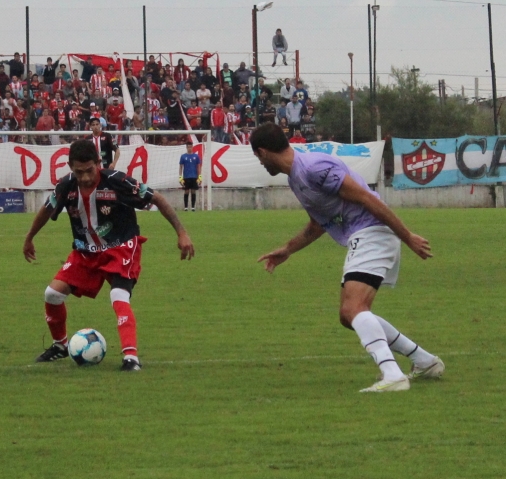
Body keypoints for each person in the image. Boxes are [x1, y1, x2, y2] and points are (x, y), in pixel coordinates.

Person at [250, 123, 444, 393]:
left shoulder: (314, 168)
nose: (259, 162)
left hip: (372, 232)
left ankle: (392, 375)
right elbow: (318, 224)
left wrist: (407, 235)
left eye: (257, 157)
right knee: (349, 315)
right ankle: (424, 360)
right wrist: (288, 249)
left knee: (353, 309)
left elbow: (367, 198)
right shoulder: (296, 178)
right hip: (364, 235)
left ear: (262, 152)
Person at [23, 140, 195, 371]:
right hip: (85, 252)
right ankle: (60, 345)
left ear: (98, 163)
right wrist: (29, 237)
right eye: (78, 172)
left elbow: (157, 199)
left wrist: (182, 232)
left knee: (118, 295)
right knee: (52, 294)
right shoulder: (66, 186)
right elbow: (47, 208)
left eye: (89, 170)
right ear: (70, 167)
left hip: (121, 247)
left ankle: (131, 358)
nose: (84, 177)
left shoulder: (117, 181)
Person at [178, 142, 202, 211]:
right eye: (188, 147)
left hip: (194, 176)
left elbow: (198, 167)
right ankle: (185, 207)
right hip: (186, 177)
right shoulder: (183, 156)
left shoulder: (196, 156)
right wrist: (180, 177)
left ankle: (193, 207)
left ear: (192, 147)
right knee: (186, 191)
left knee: (193, 191)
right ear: (186, 147)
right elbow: (181, 167)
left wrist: (199, 176)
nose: (189, 148)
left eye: (190, 147)